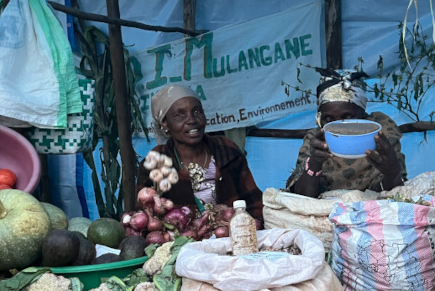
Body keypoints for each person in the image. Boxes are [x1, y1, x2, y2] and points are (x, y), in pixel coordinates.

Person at [137, 84, 263, 221]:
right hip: (181, 241)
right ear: (165, 124)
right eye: (179, 115)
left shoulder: (226, 150)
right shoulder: (156, 163)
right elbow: (144, 217)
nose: (192, 120)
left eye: (197, 112)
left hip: (233, 238)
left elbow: (254, 203)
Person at [287, 68, 407, 197]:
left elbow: (392, 194)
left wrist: (392, 173)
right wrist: (314, 164)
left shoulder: (381, 135)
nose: (339, 126)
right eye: (328, 119)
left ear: (363, 116)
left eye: (348, 117)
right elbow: (302, 197)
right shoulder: (316, 141)